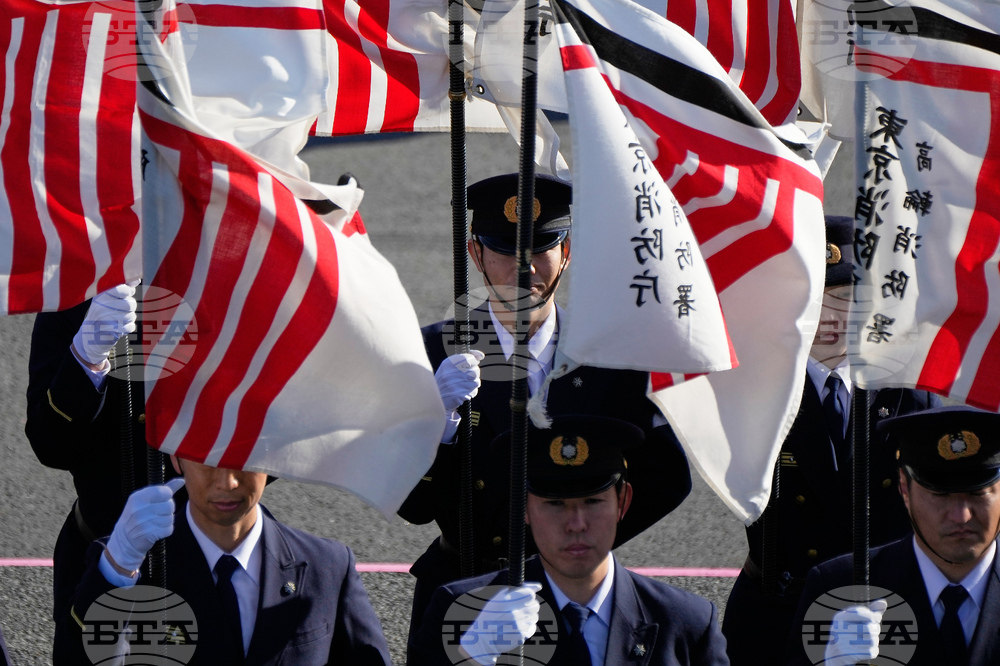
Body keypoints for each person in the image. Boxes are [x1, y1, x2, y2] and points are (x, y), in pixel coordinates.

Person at [398, 173, 692, 641]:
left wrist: (580, 550)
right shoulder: (433, 353)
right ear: (475, 254)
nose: (523, 268)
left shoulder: (610, 357)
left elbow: (667, 477)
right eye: (503, 250)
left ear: (567, 252)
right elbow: (412, 505)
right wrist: (440, 426)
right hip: (461, 590)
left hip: (572, 594)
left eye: (540, 249)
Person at [721, 215, 941, 664]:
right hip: (781, 603)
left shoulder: (907, 387)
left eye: (845, 298)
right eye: (814, 299)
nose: (830, 316)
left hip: (883, 605)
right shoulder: (755, 382)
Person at [409, 415, 729, 665]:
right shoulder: (462, 613)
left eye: (593, 502)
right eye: (555, 504)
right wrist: (472, 659)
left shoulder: (685, 623)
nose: (576, 524)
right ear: (523, 507)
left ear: (624, 502)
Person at [56, 456, 391, 665]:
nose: (228, 482)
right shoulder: (131, 568)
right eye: (208, 460)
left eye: (243, 458)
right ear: (177, 459)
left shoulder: (327, 565)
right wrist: (115, 570)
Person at [786, 404, 1000, 665]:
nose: (961, 516)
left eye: (978, 493)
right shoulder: (839, 590)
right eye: (940, 495)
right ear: (904, 489)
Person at [24, 281, 179, 632]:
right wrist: (85, 358)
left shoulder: (235, 277)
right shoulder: (80, 285)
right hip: (101, 554)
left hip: (212, 561)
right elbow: (50, 444)